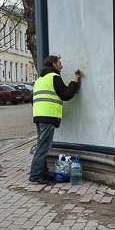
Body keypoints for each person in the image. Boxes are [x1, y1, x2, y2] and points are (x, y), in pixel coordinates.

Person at [29, 55, 80, 184]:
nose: (61, 66)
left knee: (42, 145)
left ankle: (42, 173)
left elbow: (32, 99)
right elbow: (66, 95)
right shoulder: (54, 77)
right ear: (54, 65)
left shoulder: (40, 80)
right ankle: (35, 175)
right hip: (48, 116)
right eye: (59, 63)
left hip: (39, 116)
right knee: (43, 147)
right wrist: (74, 81)